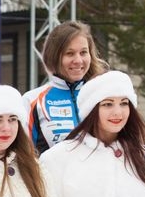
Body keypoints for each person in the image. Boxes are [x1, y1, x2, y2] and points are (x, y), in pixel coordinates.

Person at [24, 21, 107, 153]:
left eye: (83, 52)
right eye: (70, 53)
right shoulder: (33, 100)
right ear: (54, 57)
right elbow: (24, 155)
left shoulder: (103, 94)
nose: (78, 60)